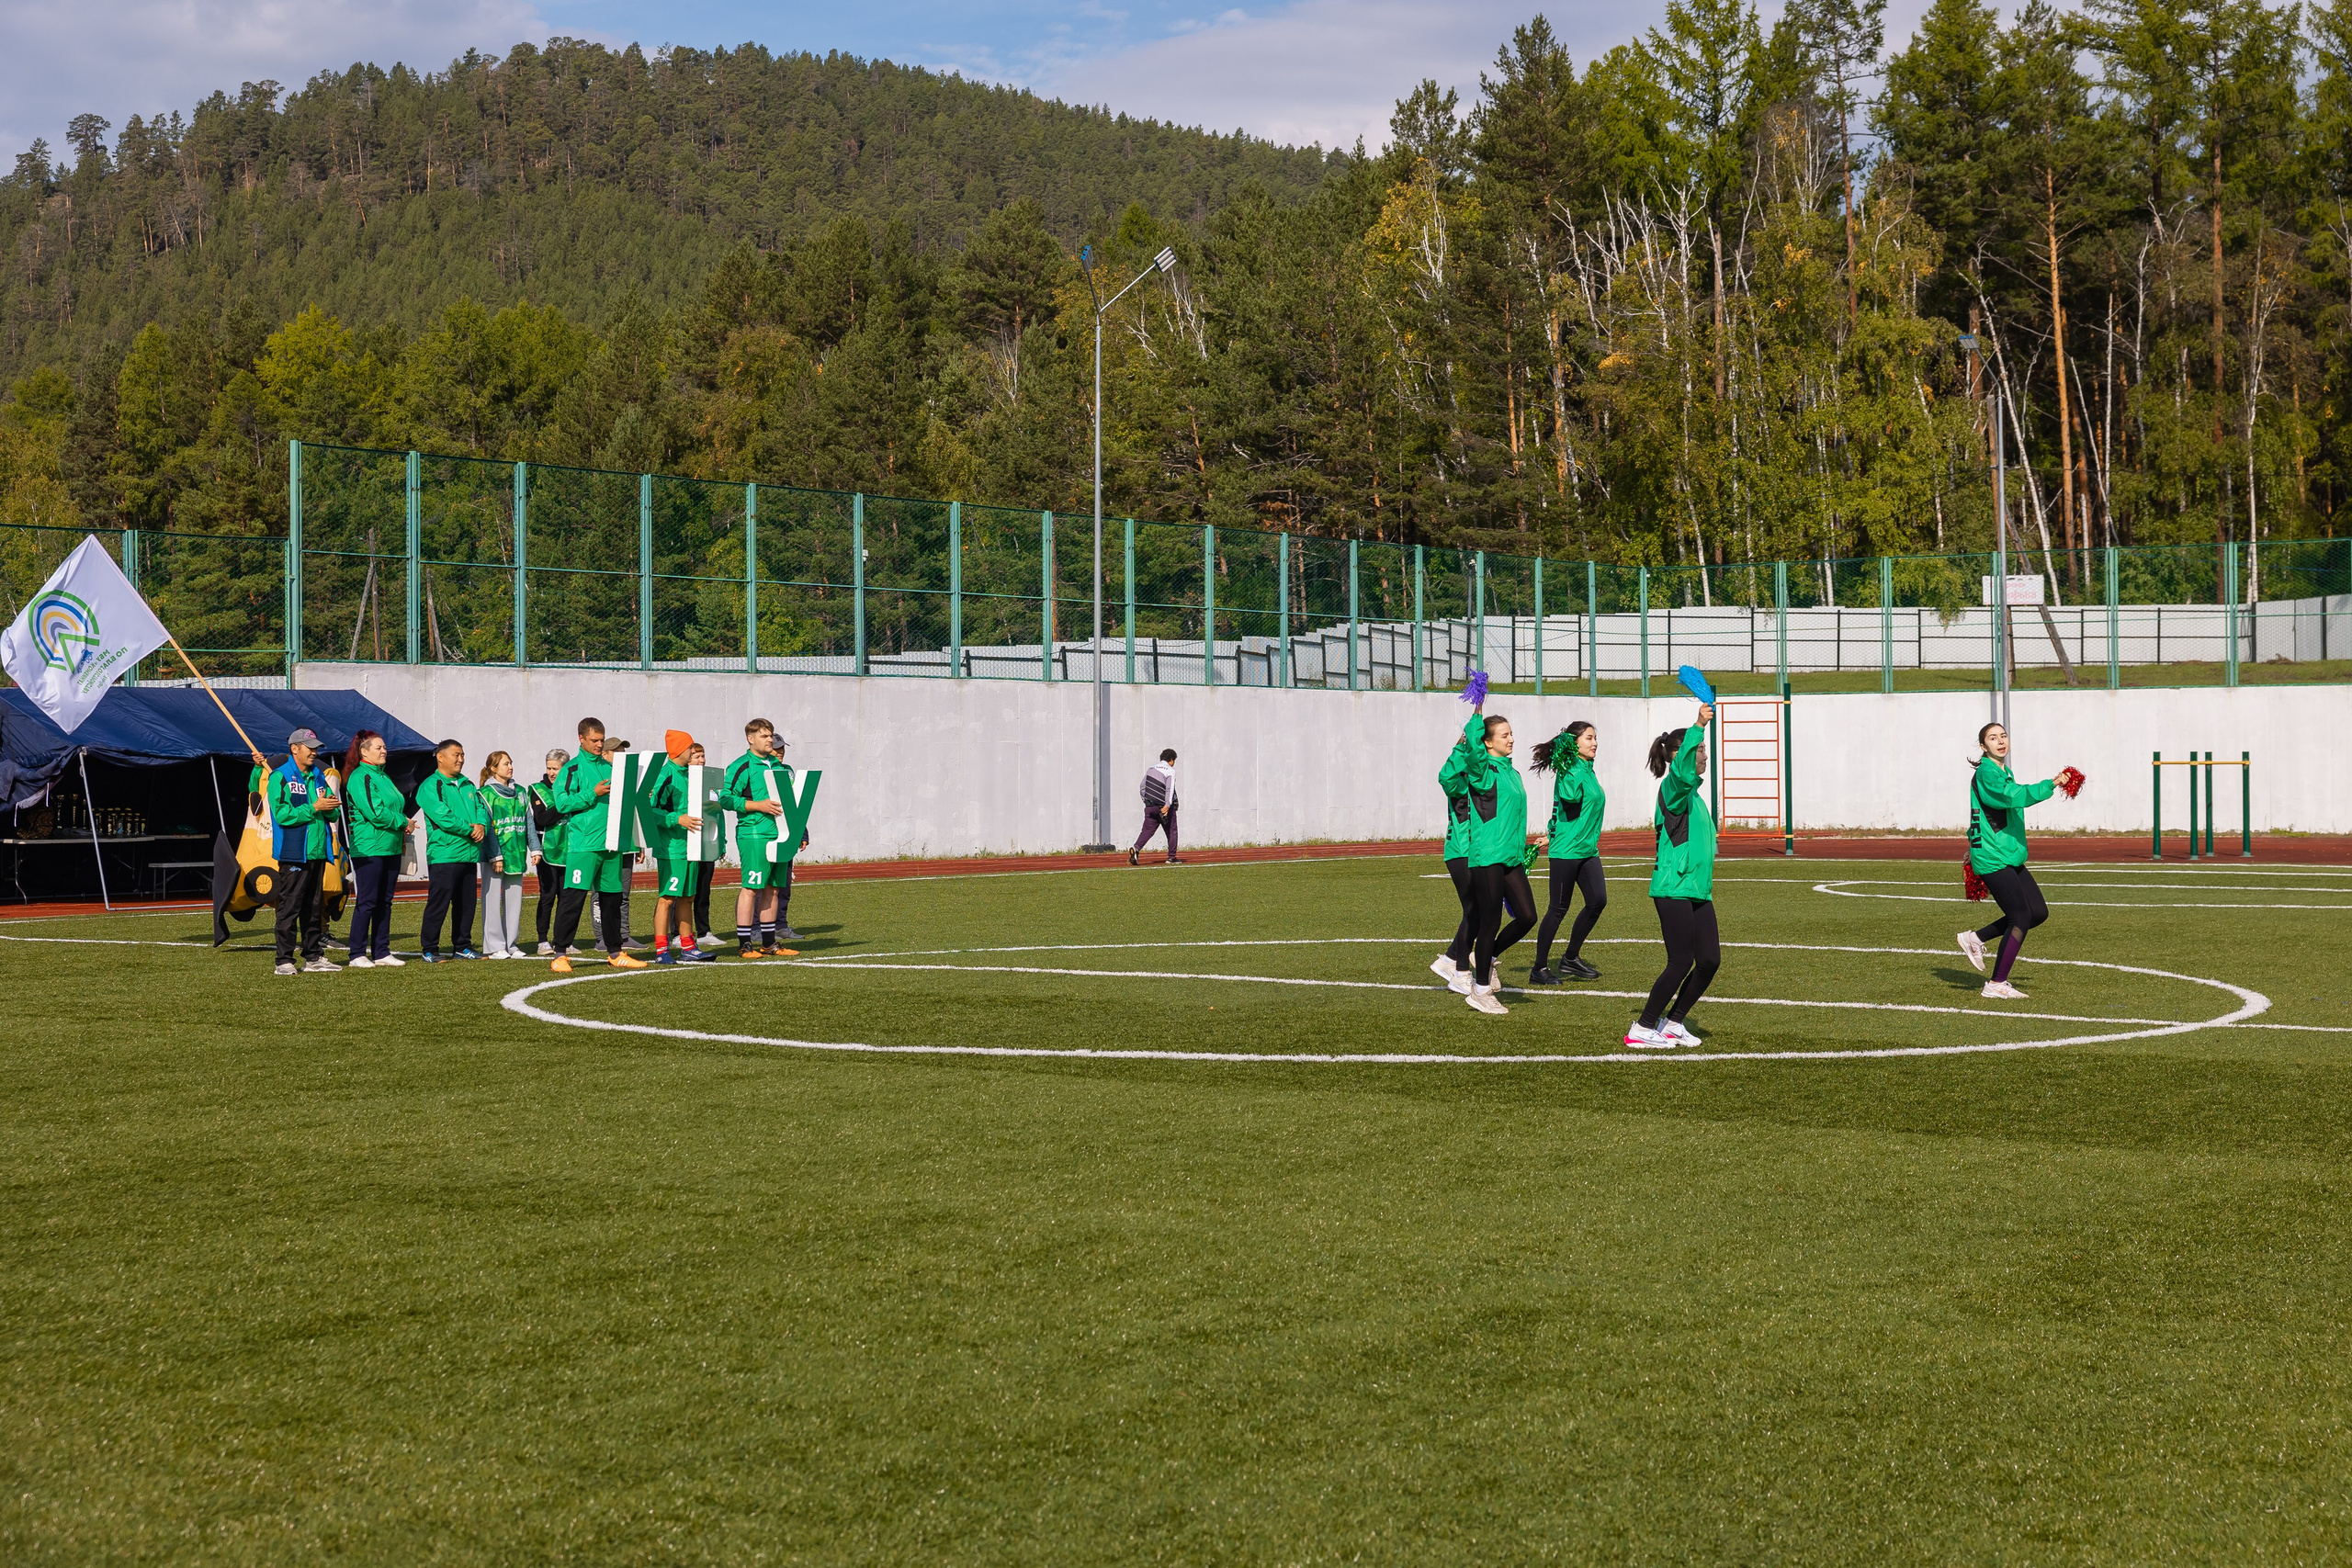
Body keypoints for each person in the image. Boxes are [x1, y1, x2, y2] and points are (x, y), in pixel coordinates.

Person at [1627, 705, 1717, 1049]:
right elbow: (1681, 774)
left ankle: (1673, 1023)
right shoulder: (1675, 789)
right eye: (1699, 751)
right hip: (1673, 888)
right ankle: (1643, 1026)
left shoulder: (1693, 797)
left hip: (1696, 889)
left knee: (1709, 960)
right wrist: (1699, 726)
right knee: (1680, 960)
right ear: (1680, 755)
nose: (1704, 756)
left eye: (1705, 751)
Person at [1960, 722, 2065, 1000]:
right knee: (2020, 917)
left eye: (2003, 736)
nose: (2000, 741)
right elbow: (2012, 797)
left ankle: (1975, 938)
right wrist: (2050, 783)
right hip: (1993, 856)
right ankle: (1996, 984)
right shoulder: (1987, 773)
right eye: (1993, 738)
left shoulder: (2002, 770)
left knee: (2037, 913)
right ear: (1983, 746)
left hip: (2007, 853)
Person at [1454, 706, 1544, 1016]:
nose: (1512, 739)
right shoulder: (1483, 770)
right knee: (1490, 921)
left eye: (1511, 733)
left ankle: (1486, 957)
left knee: (1528, 917)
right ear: (1488, 742)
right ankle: (1479, 990)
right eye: (1505, 735)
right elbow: (1472, 749)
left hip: (1510, 857)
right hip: (1487, 857)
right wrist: (1477, 714)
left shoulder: (1511, 772)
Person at [548, 718, 644, 974]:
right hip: (584, 846)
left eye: (602, 740)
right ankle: (560, 954)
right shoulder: (571, 770)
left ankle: (615, 952)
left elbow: (625, 803)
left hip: (612, 844)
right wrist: (593, 793)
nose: (600, 745)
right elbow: (562, 804)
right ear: (581, 738)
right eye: (595, 740)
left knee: (612, 899)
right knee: (573, 899)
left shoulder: (611, 767)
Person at [1527, 721, 1608, 985]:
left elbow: (1564, 811)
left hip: (1586, 850)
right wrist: (1566, 762)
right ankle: (1538, 968)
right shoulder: (1571, 770)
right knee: (1558, 909)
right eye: (1588, 738)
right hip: (1566, 852)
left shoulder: (1587, 769)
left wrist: (1550, 830)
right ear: (1574, 743)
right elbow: (1569, 800)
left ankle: (1570, 958)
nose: (1594, 742)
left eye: (1595, 738)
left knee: (1597, 901)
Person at [267, 726, 343, 976]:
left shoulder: (319, 776)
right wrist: (315, 807)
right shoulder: (281, 776)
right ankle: (283, 961)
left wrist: (330, 807)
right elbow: (282, 815)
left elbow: (331, 811)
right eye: (310, 749)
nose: (314, 753)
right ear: (294, 749)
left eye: (316, 749)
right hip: (294, 853)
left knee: (313, 907)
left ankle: (313, 957)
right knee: (290, 907)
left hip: (318, 852)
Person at [720, 719, 797, 958]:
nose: (769, 740)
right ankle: (744, 944)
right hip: (753, 833)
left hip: (780, 833)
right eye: (764, 736)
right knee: (751, 887)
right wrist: (758, 805)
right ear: (750, 738)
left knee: (773, 889)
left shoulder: (779, 765)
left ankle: (769, 943)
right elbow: (725, 798)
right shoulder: (741, 766)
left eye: (771, 735)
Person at [648, 729, 716, 964]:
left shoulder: (691, 774)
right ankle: (661, 950)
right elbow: (648, 809)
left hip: (692, 845)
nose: (693, 752)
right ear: (679, 750)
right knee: (667, 898)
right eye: (690, 748)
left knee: (688, 897)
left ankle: (688, 946)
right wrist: (676, 819)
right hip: (672, 847)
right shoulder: (664, 774)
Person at [342, 729, 409, 969]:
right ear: (364, 751)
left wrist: (402, 826)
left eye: (384, 747)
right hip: (369, 848)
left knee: (385, 901)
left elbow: (394, 807)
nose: (384, 751)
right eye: (378, 748)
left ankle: (381, 951)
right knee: (368, 901)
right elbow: (375, 812)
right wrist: (404, 822)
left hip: (389, 847)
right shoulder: (362, 776)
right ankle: (357, 953)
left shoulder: (383, 776)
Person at [417, 739, 486, 962]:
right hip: (444, 854)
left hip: (468, 853)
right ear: (440, 757)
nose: (461, 759)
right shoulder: (431, 785)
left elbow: (481, 808)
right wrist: (469, 829)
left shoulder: (467, 784)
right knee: (439, 903)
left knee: (466, 904)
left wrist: (481, 825)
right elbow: (443, 817)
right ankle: (429, 949)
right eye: (456, 754)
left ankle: (462, 946)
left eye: (463, 755)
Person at [1429, 718, 1483, 997]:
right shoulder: (1459, 780)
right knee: (1474, 910)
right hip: (1461, 851)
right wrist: (1463, 744)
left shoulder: (1483, 776)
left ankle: (1450, 960)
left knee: (1479, 911)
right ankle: (1460, 969)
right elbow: (1446, 776)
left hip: (1478, 852)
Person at [479, 750, 532, 959]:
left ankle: (511, 944)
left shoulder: (520, 792)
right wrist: (495, 855)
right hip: (494, 857)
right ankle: (494, 946)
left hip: (516, 854)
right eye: (505, 764)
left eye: (511, 763)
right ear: (493, 769)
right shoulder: (485, 793)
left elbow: (528, 822)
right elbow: (488, 828)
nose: (510, 767)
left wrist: (535, 849)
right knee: (491, 900)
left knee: (514, 901)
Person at [529, 749, 568, 955]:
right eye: (549, 768)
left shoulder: (573, 788)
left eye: (556, 768)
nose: (552, 772)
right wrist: (567, 804)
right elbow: (542, 818)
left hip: (570, 850)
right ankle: (542, 940)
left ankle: (563, 940)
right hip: (546, 852)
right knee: (548, 895)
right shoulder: (537, 789)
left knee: (567, 897)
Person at [687, 741, 723, 950]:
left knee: (703, 890)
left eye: (703, 756)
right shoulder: (681, 780)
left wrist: (721, 840)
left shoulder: (711, 782)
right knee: (683, 892)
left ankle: (703, 931)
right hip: (687, 843)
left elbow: (717, 814)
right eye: (696, 757)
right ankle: (677, 933)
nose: (701, 760)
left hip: (707, 843)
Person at [1130, 750, 1182, 864]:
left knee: (1147, 831)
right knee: (1172, 831)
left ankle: (1136, 848)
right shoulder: (1170, 771)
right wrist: (1167, 805)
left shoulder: (1151, 769)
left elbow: (1142, 786)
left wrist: (1146, 800)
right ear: (1172, 760)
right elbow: (1170, 789)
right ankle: (1171, 857)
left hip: (1150, 806)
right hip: (1163, 808)